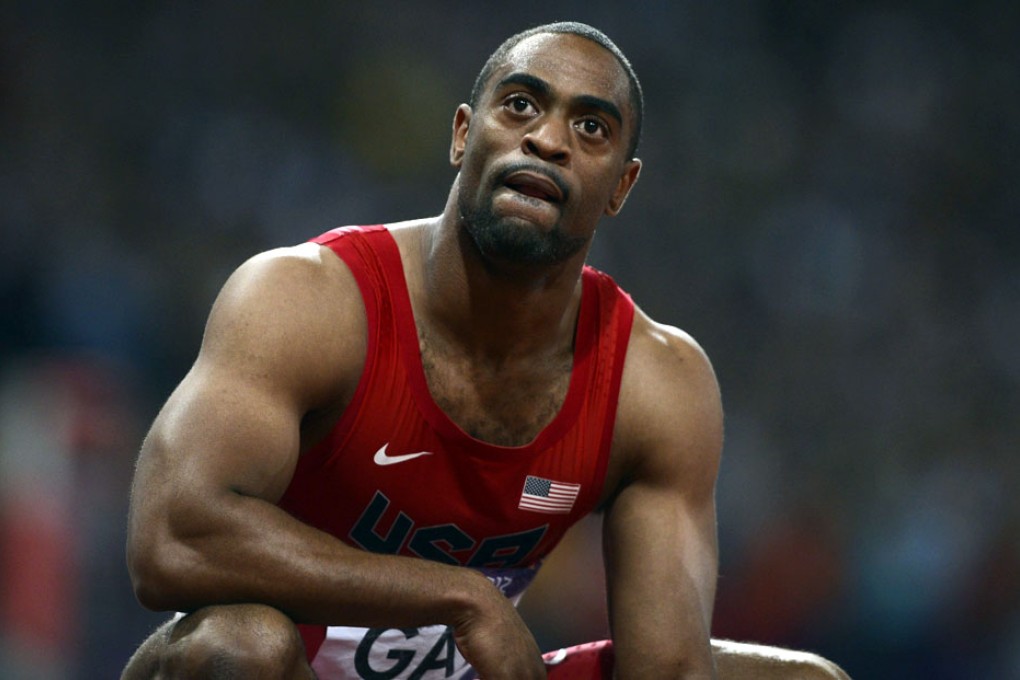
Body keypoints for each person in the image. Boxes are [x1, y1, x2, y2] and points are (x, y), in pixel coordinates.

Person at [122, 21, 850, 679]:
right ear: (463, 135)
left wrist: (474, 616)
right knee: (237, 649)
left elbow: (666, 670)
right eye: (521, 106)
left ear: (622, 187)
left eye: (591, 128)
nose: (548, 139)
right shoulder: (308, 300)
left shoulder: (655, 381)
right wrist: (461, 597)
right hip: (289, 667)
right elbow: (172, 541)